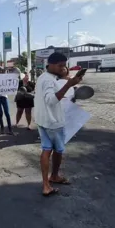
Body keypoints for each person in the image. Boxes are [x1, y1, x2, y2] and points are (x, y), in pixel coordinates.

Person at [34, 52, 82, 197]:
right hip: (53, 122)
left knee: (46, 149)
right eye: (60, 65)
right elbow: (51, 101)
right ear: (51, 64)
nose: (63, 68)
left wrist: (67, 81)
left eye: (64, 65)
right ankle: (51, 179)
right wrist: (68, 84)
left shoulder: (44, 76)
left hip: (43, 120)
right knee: (57, 150)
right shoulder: (49, 80)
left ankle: (47, 183)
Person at [0, 67, 13, 135]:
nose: (0, 72)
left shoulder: (5, 78)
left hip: (4, 96)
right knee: (0, 113)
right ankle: (2, 129)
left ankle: (10, 129)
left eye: (1, 71)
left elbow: (10, 83)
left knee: (7, 113)